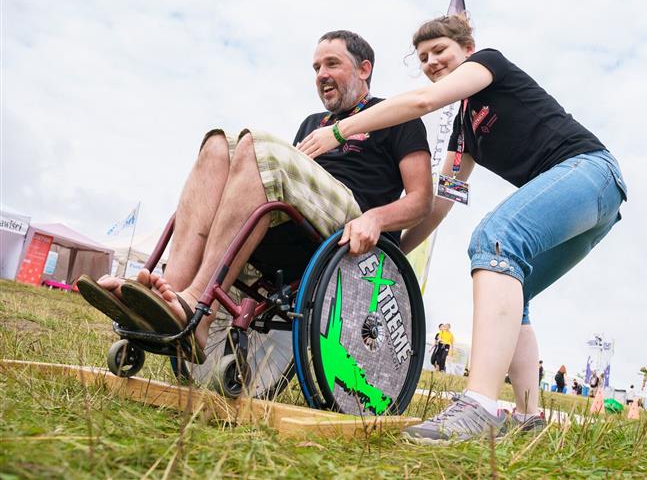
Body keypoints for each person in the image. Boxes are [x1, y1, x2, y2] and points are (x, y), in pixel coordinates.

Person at [299, 14, 627, 443]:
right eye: (423, 58)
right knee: (515, 289)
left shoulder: (489, 65)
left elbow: (420, 103)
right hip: (590, 212)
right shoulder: (462, 135)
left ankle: (479, 405)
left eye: (440, 52)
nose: (432, 62)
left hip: (591, 173)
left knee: (495, 241)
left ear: (466, 50)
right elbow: (442, 200)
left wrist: (341, 131)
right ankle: (530, 419)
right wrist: (393, 255)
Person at [83, 30, 433, 358]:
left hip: (351, 229)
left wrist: (375, 218)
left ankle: (197, 307)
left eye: (332, 64)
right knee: (218, 145)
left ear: (364, 68)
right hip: (297, 222)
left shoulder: (396, 117)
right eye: (315, 67)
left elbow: (421, 200)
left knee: (257, 145)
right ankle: (166, 295)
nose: (321, 74)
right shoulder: (313, 124)